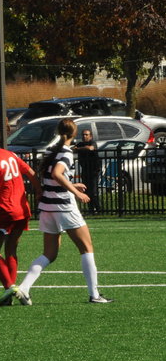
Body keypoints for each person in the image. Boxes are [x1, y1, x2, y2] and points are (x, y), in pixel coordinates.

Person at [15, 118, 113, 305]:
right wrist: (76, 192)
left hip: (47, 207)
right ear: (74, 133)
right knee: (86, 248)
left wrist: (72, 184)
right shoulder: (66, 152)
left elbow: (51, 177)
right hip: (63, 206)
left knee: (49, 254)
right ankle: (94, 295)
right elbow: (57, 174)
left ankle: (24, 288)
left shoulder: (52, 150)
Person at [0, 129, 42, 306]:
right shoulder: (11, 155)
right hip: (21, 208)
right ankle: (12, 292)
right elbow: (31, 173)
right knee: (11, 250)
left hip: (4, 210)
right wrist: (38, 191)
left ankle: (9, 286)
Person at [73, 129, 101, 213]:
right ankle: (91, 210)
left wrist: (79, 149)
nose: (84, 136)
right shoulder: (80, 144)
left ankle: (99, 209)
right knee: (87, 191)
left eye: (86, 135)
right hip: (85, 170)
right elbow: (73, 149)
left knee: (94, 192)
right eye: (83, 135)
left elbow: (90, 148)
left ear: (90, 136)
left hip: (94, 171)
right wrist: (78, 148)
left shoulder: (93, 143)